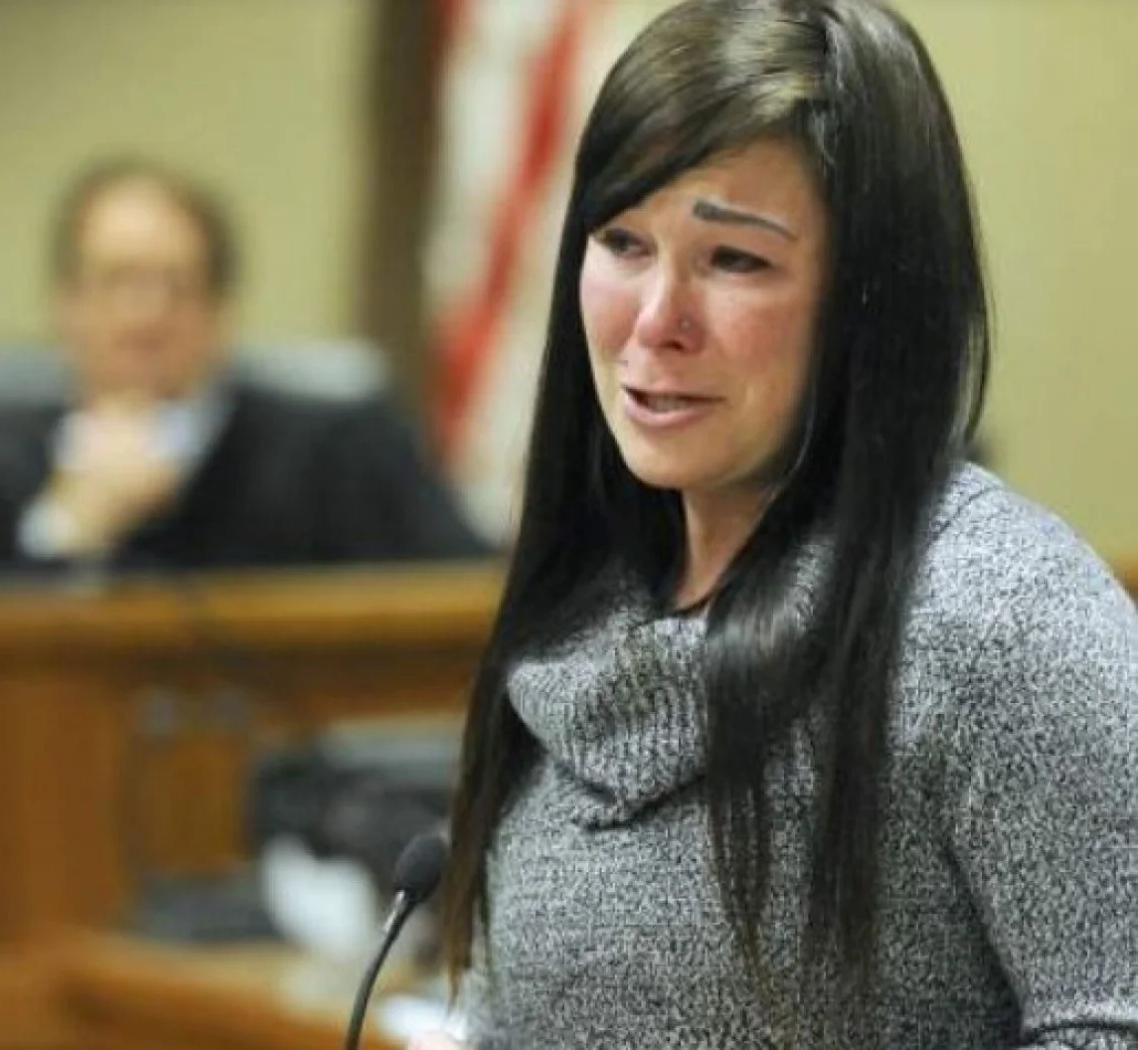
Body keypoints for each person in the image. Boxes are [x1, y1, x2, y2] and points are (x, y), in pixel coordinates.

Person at [411, 1, 1138, 1048]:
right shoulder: (582, 608)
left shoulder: (1002, 618)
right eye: (622, 242)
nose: (655, 320)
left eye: (734, 260)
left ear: (869, 298)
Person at [0, 158, 488, 573]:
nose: (144, 315)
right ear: (64, 305)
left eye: (176, 285)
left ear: (222, 312)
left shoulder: (342, 451)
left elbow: (470, 597)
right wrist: (63, 532)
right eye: (115, 282)